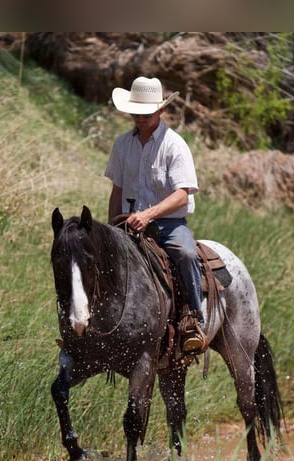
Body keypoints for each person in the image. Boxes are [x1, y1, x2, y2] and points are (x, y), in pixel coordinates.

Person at [104, 76, 206, 354]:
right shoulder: (122, 144)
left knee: (184, 253)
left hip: (167, 223)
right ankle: (98, 322)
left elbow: (182, 194)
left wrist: (148, 215)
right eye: (135, 112)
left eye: (145, 113)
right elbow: (118, 188)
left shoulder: (174, 145)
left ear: (160, 111)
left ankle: (194, 319)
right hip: (127, 221)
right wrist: (113, 224)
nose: (139, 117)